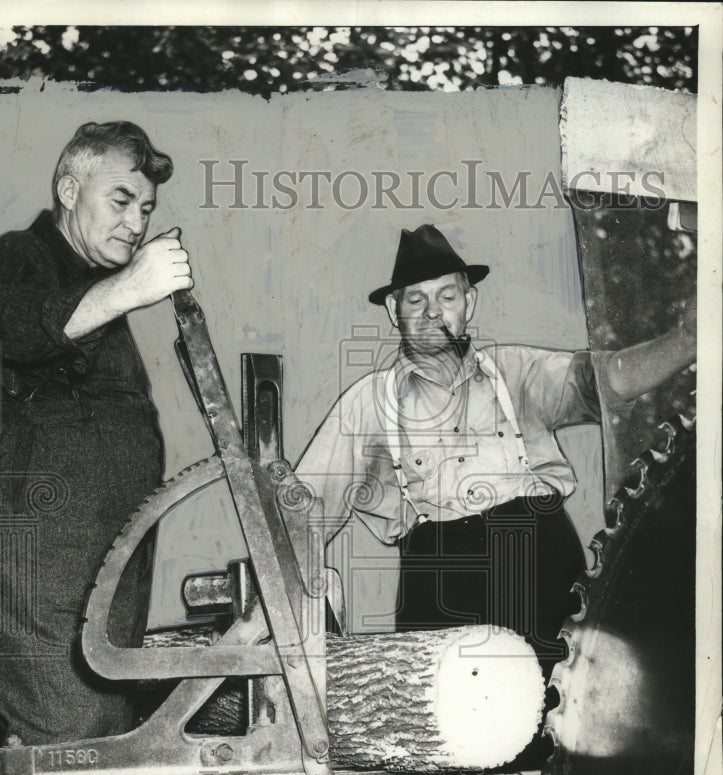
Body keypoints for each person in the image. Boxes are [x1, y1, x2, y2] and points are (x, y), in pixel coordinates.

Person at [296, 224, 696, 673]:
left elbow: (612, 380)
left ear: (469, 302)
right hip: (443, 596)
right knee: (452, 733)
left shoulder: (516, 372)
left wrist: (687, 338)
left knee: (563, 720)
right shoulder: (366, 404)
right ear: (394, 309)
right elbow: (303, 513)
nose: (433, 312)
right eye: (416, 300)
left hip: (542, 576)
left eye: (447, 296)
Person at [0, 121, 193, 746]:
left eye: (145, 208)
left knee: (103, 732)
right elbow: (20, 328)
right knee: (76, 735)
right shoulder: (17, 259)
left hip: (97, 565)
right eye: (119, 200)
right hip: (31, 562)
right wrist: (130, 288)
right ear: (67, 189)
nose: (136, 222)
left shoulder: (89, 288)